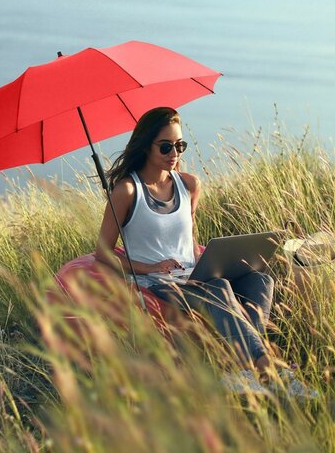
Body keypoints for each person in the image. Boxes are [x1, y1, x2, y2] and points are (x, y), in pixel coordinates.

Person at [95, 107, 317, 397]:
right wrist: (150, 268)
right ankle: (265, 366)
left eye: (179, 145)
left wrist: (209, 261)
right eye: (165, 146)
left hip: (193, 272)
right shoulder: (127, 191)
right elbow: (102, 252)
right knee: (218, 287)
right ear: (145, 146)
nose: (174, 152)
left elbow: (190, 235)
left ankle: (245, 369)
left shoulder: (189, 184)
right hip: (159, 281)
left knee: (261, 280)